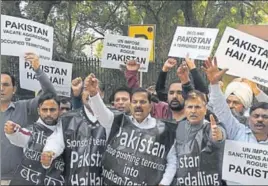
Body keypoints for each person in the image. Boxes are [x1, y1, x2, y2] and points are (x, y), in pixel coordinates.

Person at [84, 74, 177, 185]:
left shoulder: (165, 130)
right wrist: (94, 94)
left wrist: (164, 183)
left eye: (143, 102)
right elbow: (101, 113)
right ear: (130, 105)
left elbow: (173, 161)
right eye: (134, 102)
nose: (138, 105)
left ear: (150, 106)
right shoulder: (118, 122)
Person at [203, 57, 268, 185]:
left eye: (265, 117)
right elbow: (222, 110)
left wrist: (256, 90)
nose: (260, 119)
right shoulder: (237, 131)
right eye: (256, 116)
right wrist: (214, 85)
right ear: (249, 118)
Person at [40, 75, 108, 185]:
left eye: (94, 89)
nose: (89, 93)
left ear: (102, 94)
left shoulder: (113, 119)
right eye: (86, 89)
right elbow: (56, 141)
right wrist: (49, 152)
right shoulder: (68, 118)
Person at [1, 52, 56, 184]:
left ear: (14, 89)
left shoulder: (24, 108)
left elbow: (50, 95)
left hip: (18, 179)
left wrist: (38, 70)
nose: (1, 88)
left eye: (6, 85)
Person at [4, 92, 64, 185]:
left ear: (59, 110)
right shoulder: (32, 130)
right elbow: (21, 135)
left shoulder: (67, 132)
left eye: (52, 110)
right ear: (38, 110)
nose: (48, 114)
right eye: (44, 110)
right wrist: (12, 132)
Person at [172, 90, 226, 185]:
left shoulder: (211, 127)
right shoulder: (177, 128)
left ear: (205, 110)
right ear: (185, 110)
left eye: (197, 107)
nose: (193, 111)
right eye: (190, 107)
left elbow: (219, 137)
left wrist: (218, 136)